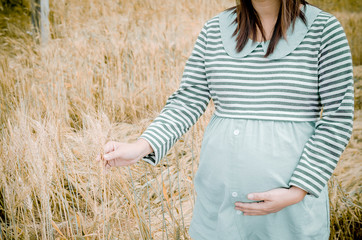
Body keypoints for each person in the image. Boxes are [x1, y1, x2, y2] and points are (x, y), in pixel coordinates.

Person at [97, 0, 355, 239]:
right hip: (219, 205)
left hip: (290, 211)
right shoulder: (214, 30)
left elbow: (337, 119)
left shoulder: (323, 30)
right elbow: (187, 100)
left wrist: (297, 191)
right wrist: (141, 146)